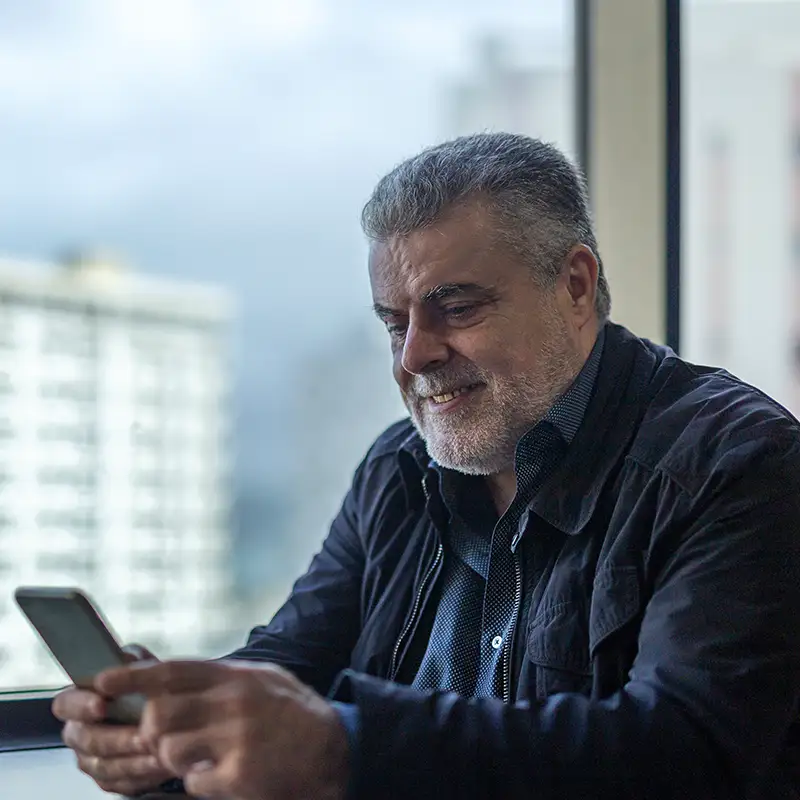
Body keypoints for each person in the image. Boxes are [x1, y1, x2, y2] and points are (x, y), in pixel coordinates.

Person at [54, 132, 800, 800]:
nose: (414, 356)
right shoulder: (398, 467)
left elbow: (686, 756)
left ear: (575, 286)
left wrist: (344, 750)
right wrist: (178, 723)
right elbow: (293, 664)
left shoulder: (739, 465)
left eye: (457, 308)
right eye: (394, 322)